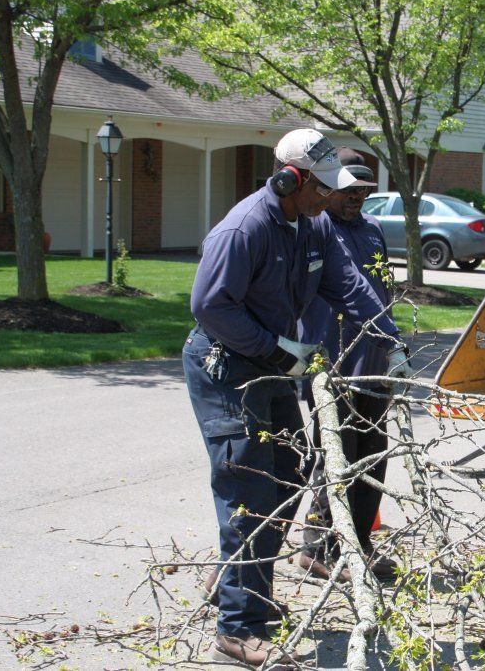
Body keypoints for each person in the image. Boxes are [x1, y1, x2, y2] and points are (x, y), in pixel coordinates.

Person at [183, 129, 409, 668]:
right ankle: (238, 628)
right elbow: (211, 307)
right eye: (322, 187)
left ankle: (239, 579)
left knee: (287, 472)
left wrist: (388, 337)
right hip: (227, 367)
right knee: (250, 485)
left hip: (272, 366)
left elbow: (348, 285)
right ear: (292, 178)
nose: (331, 197)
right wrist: (274, 349)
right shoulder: (246, 229)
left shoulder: (312, 227)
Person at [297, 148, 398, 580]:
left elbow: (382, 291)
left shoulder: (373, 229)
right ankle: (318, 547)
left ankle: (358, 544)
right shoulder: (316, 229)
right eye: (348, 189)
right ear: (329, 189)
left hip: (373, 363)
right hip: (331, 364)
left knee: (372, 458)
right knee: (335, 458)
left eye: (364, 189)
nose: (356, 196)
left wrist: (393, 347)